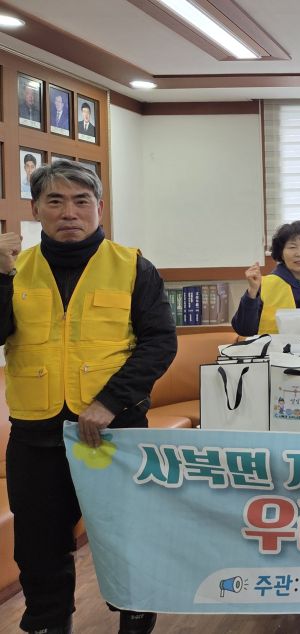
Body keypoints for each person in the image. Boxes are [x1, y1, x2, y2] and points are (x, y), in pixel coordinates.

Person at [0, 161, 175, 634]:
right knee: (37, 545)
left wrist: (110, 402)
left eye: (81, 201)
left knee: (127, 536)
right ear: (36, 209)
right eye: (55, 201)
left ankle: (135, 621)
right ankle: (47, 624)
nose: (69, 212)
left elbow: (160, 342)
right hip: (35, 435)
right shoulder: (16, 270)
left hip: (114, 433)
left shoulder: (133, 267)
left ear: (100, 207)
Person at [231, 220, 300, 335]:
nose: (299, 253)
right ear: (281, 253)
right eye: (292, 247)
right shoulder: (265, 285)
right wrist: (252, 292)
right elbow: (244, 329)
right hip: (275, 347)